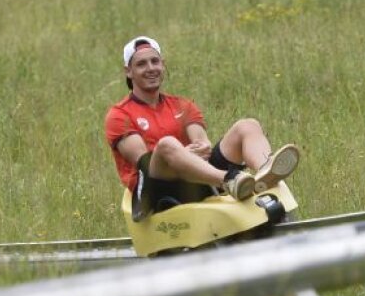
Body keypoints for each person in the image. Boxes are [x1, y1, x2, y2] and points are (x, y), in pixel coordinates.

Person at [104, 35, 300, 221]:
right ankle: (230, 180)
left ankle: (265, 174)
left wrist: (198, 150)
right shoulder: (120, 114)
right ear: (128, 72)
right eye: (141, 64)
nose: (151, 68)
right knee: (167, 145)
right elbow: (144, 162)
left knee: (247, 126)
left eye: (155, 61)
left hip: (197, 176)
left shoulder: (182, 105)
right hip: (156, 189)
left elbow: (202, 143)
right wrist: (179, 154)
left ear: (163, 65)